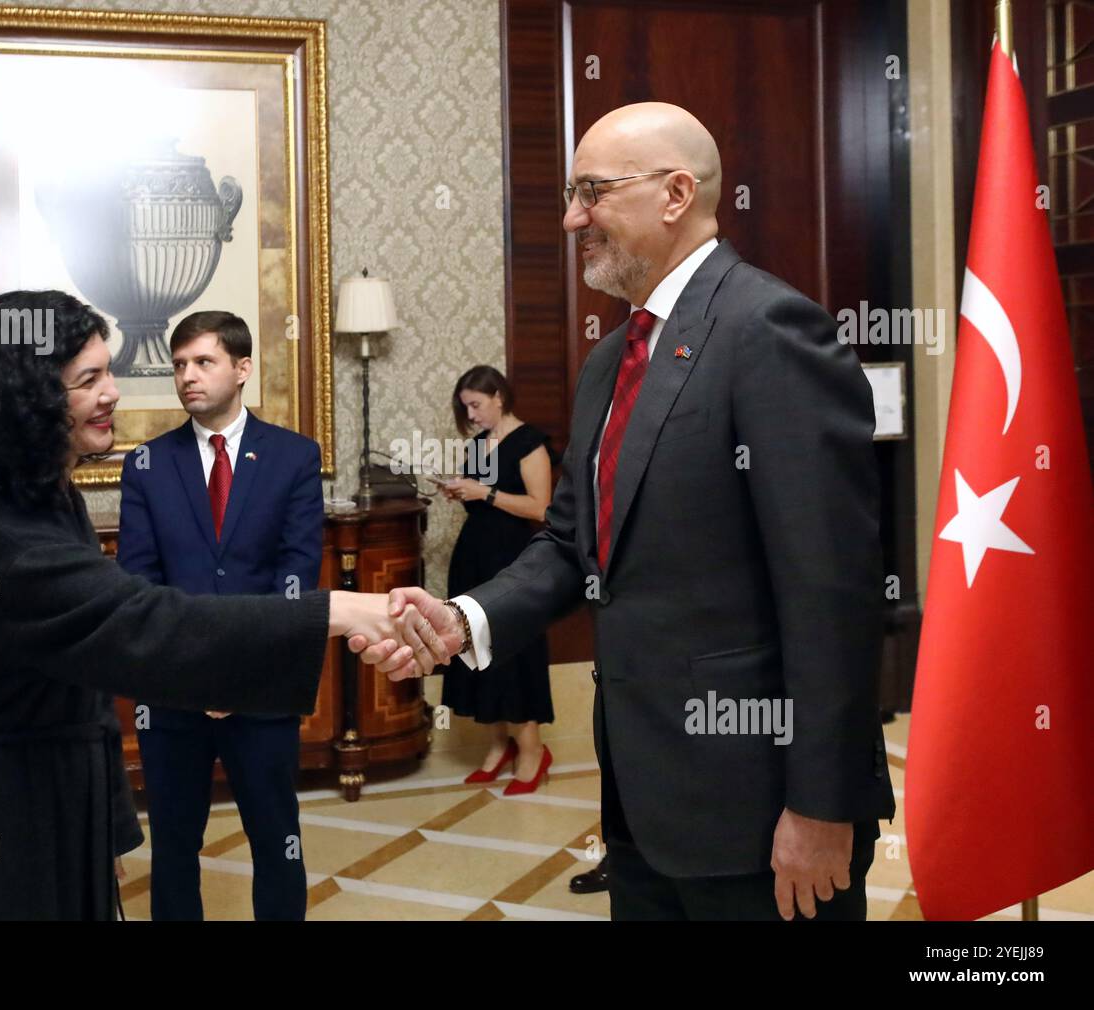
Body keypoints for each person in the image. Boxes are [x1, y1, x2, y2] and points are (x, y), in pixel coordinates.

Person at [371, 103, 896, 921]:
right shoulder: (613, 356)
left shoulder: (771, 330)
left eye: (593, 192)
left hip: (759, 811)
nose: (574, 216)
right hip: (641, 808)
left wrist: (824, 807)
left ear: (677, 193)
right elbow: (573, 539)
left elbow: (833, 594)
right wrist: (465, 618)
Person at [0, 290, 444, 920]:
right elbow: (145, 620)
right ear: (29, 402)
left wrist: (103, 825)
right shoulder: (2, 540)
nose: (113, 394)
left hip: (57, 795)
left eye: (110, 372)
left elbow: (87, 671)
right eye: (89, 379)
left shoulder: (46, 499)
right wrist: (342, 611)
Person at [118, 310, 321, 921]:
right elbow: (139, 583)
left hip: (260, 692)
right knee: (176, 845)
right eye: (180, 365)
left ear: (242, 368)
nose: (188, 377)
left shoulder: (293, 457)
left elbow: (295, 577)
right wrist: (196, 675)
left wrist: (234, 676)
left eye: (203, 362)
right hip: (174, 694)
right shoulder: (147, 465)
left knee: (276, 838)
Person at [441, 366, 554, 793]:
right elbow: (480, 505)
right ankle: (498, 745)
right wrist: (460, 491)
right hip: (472, 560)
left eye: (476, 404)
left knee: (511, 652)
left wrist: (483, 492)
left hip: (513, 561)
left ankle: (532, 750)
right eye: (465, 407)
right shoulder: (476, 446)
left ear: (499, 397)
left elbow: (541, 507)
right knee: (476, 651)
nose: (471, 414)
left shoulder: (529, 442)